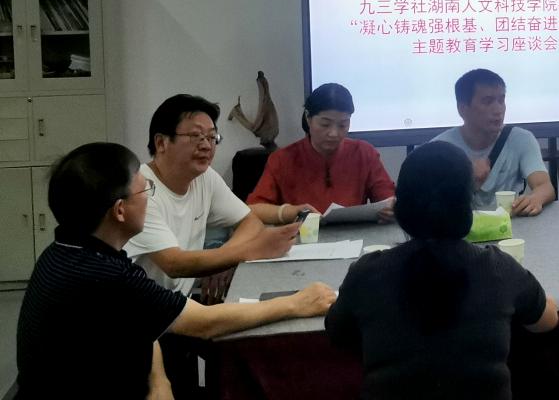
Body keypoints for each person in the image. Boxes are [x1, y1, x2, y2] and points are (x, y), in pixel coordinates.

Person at [16, 142, 336, 399]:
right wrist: (296, 303)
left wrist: (160, 381)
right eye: (145, 191)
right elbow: (204, 323)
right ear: (120, 211)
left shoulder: (70, 250)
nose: (149, 198)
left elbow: (142, 318)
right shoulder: (103, 275)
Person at [326, 141, 559, 400]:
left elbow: (338, 333)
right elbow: (546, 322)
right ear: (467, 207)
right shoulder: (500, 269)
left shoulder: (367, 274)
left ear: (401, 207)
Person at [125, 94, 300, 295]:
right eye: (195, 136)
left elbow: (250, 221)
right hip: (145, 309)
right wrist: (244, 253)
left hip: (182, 302)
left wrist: (223, 259)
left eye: (211, 137)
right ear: (161, 143)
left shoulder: (204, 177)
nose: (207, 146)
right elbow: (174, 264)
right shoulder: (140, 190)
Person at [247, 83, 396, 220]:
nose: (334, 133)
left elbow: (387, 198)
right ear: (308, 118)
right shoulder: (283, 159)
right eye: (325, 124)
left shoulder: (364, 153)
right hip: (301, 237)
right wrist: (292, 212)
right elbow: (254, 209)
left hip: (355, 237)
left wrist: (391, 208)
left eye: (343, 125)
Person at [432, 69, 555, 215]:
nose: (498, 110)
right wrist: (466, 179)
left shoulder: (521, 139)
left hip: (511, 225)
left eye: (501, 100)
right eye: (487, 101)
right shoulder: (439, 149)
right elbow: (427, 204)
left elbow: (544, 186)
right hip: (459, 226)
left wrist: (536, 198)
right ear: (463, 109)